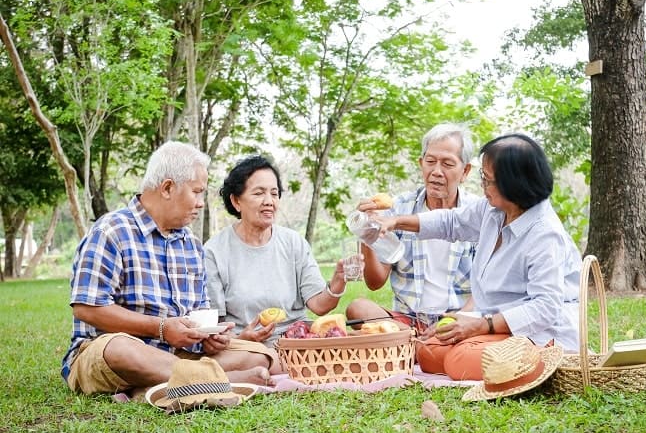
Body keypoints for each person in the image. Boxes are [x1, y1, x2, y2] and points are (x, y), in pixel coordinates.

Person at [62, 141, 275, 397]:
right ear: (167, 188)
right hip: (110, 353)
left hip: (175, 356)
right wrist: (161, 328)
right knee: (119, 349)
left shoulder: (192, 246)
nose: (201, 203)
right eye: (197, 192)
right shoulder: (111, 232)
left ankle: (164, 384)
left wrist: (207, 336)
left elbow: (198, 313)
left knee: (260, 355)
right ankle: (220, 381)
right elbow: (87, 308)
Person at [373, 133, 581, 380]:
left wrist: (482, 325)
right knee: (429, 353)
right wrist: (396, 221)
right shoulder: (493, 210)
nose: (483, 185)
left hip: (539, 334)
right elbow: (451, 222)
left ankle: (547, 363)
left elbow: (545, 308)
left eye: (488, 179)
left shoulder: (545, 234)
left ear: (513, 185)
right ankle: (494, 359)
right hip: (496, 328)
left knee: (458, 360)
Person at [204, 155, 349, 369]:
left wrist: (338, 281)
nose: (269, 201)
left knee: (346, 346)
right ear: (236, 201)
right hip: (248, 348)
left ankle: (289, 365)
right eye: (259, 193)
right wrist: (242, 339)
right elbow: (216, 328)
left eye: (274, 193)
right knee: (226, 362)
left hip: (298, 342)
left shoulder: (293, 242)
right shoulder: (214, 251)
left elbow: (319, 306)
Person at [346, 123, 480, 331]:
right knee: (358, 310)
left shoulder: (477, 213)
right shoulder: (398, 209)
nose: (436, 171)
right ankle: (419, 343)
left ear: (465, 171)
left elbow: (487, 287)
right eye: (430, 161)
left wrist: (460, 319)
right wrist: (366, 231)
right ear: (421, 164)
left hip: (456, 321)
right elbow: (375, 282)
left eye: (447, 164)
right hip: (407, 321)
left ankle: (414, 347)